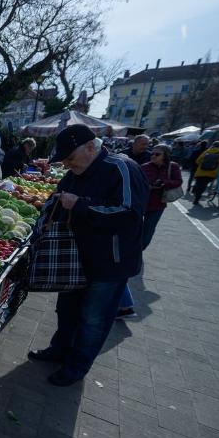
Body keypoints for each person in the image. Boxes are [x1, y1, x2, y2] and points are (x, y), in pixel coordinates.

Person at [28, 124, 148, 387]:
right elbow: (59, 199)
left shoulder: (122, 168)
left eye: (70, 158)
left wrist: (81, 205)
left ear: (92, 147)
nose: (68, 164)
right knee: (66, 310)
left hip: (109, 264)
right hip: (75, 259)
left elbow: (129, 214)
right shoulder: (75, 173)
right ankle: (58, 350)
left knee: (93, 319)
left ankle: (75, 368)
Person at [140, 145, 183, 249]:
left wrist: (164, 183)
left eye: (157, 154)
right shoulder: (145, 166)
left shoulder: (173, 166)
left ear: (165, 156)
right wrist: (148, 185)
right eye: (152, 153)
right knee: (135, 227)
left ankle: (139, 250)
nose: (153, 156)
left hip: (157, 204)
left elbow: (178, 181)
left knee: (148, 230)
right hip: (141, 202)